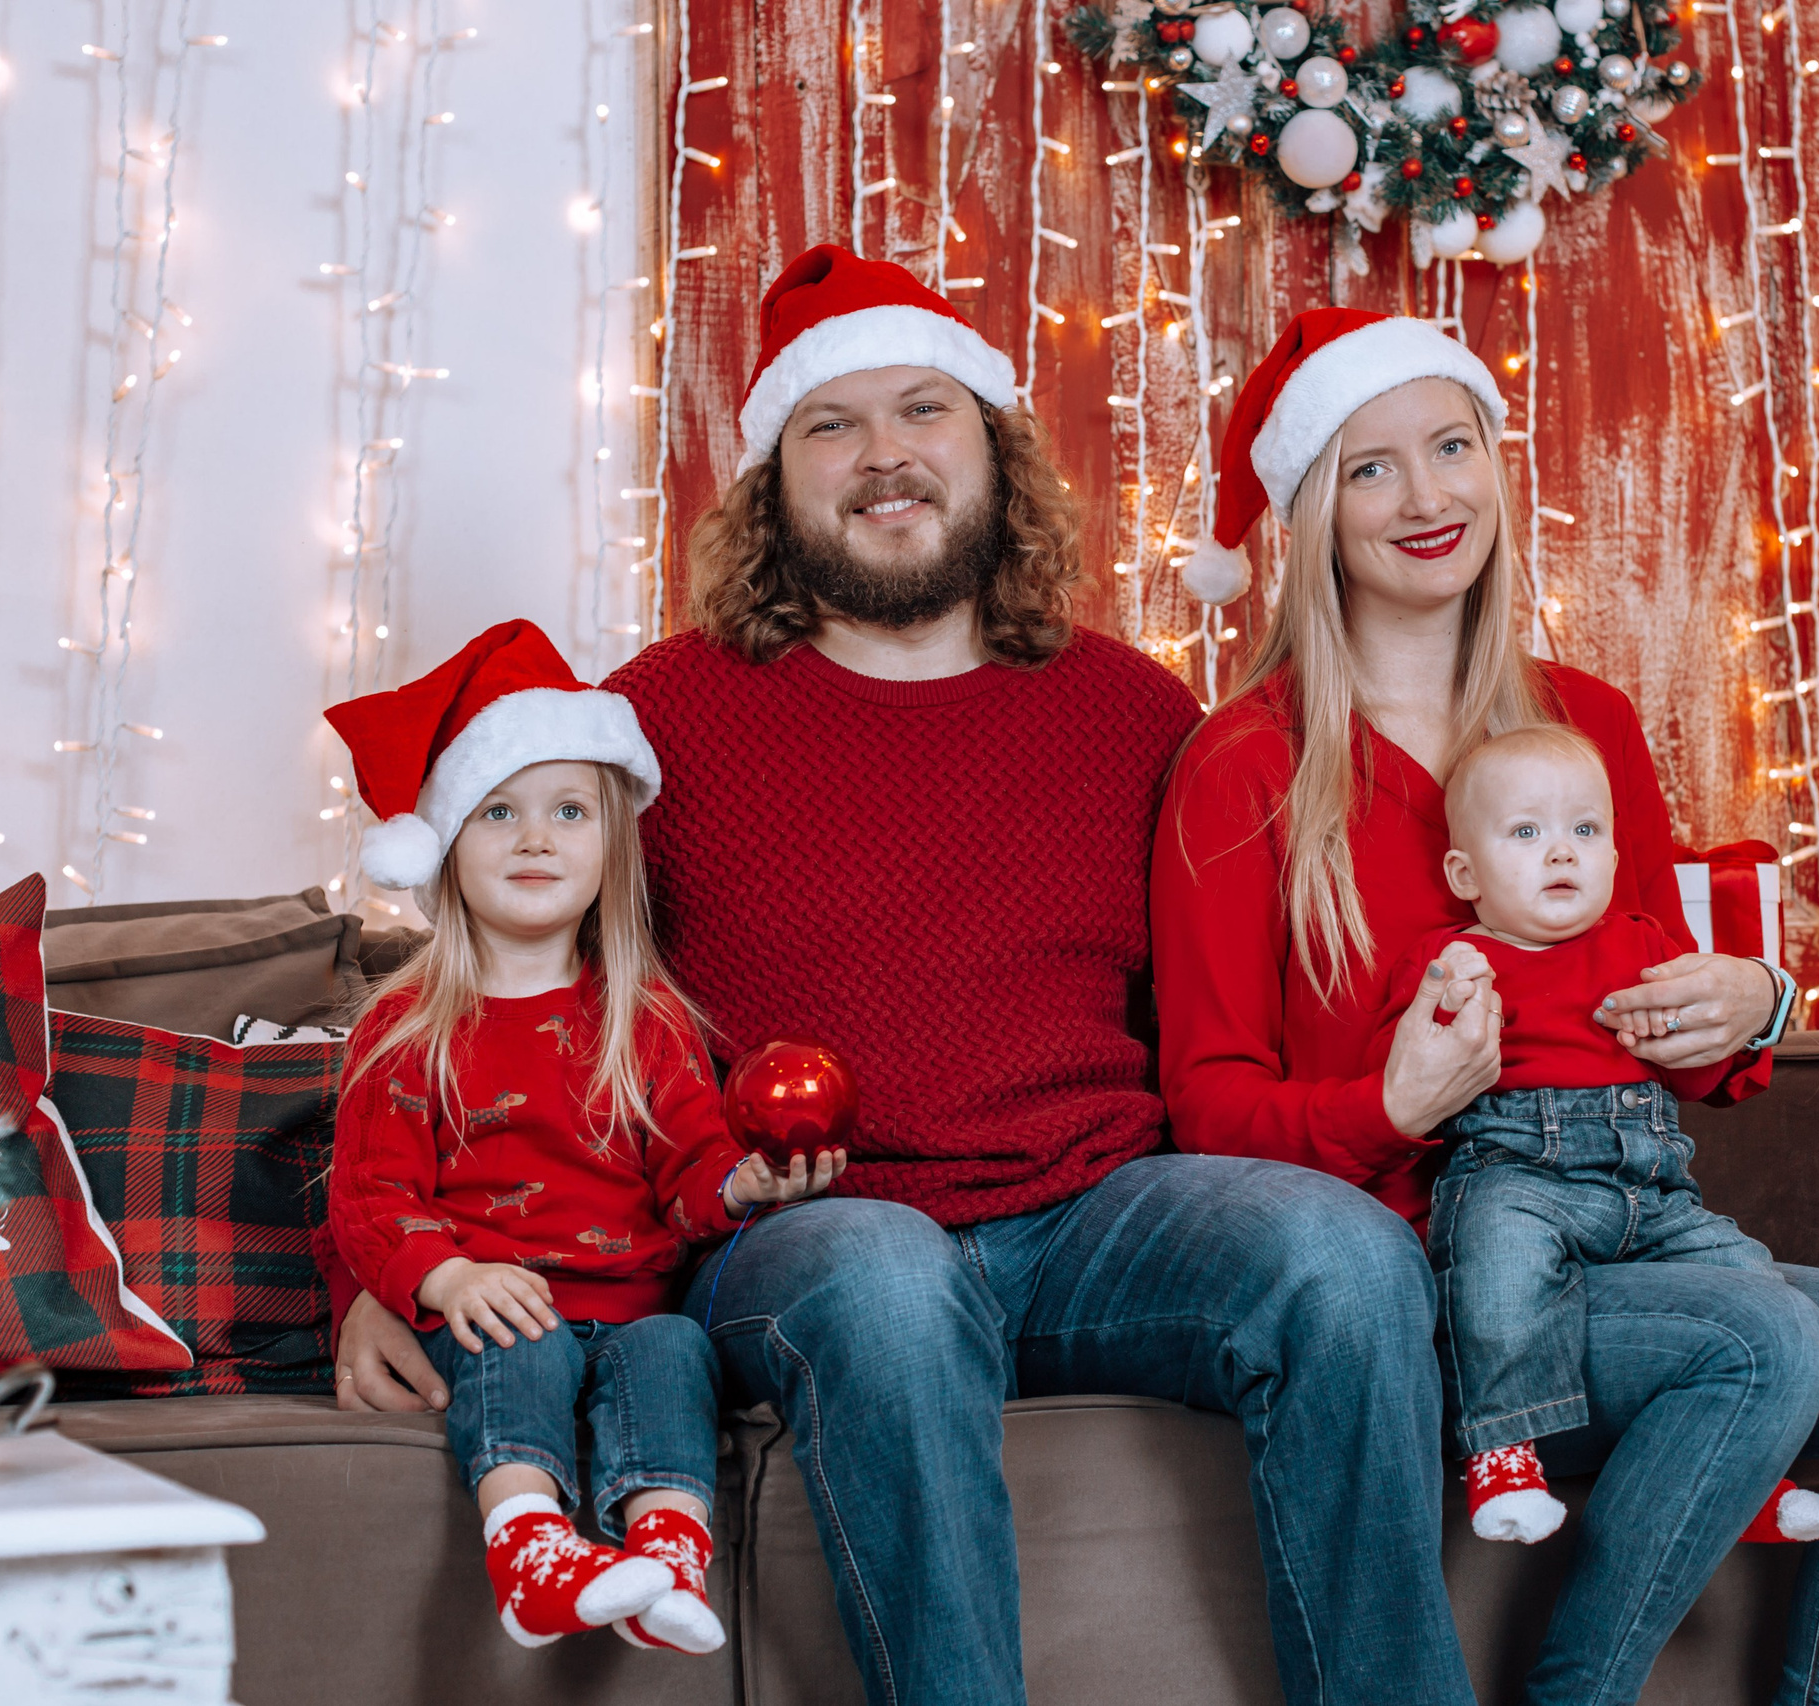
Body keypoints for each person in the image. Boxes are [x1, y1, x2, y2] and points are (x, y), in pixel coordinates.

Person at [325, 252, 1480, 1706]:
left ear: (990, 447)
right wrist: (379, 1271)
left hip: (1096, 1213)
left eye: (922, 409)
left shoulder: (1136, 710)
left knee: (1335, 1255)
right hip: (808, 1229)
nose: (884, 455)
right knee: (882, 1272)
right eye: (833, 424)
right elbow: (481, 990)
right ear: (771, 483)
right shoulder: (656, 719)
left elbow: (1254, 999)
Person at [1154, 307, 1819, 1706]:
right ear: (1306, 515)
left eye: (1451, 446)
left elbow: (1660, 995)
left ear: (1494, 463)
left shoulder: (1584, 723)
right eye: (1369, 468)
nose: (1426, 498)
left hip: (1626, 1233)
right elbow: (1208, 1109)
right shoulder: (1244, 771)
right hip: (1421, 1283)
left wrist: (1748, 1004)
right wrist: (1388, 1107)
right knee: (1763, 1335)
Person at [322, 620, 839, 1653]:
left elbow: (690, 1161)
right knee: (523, 1345)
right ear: (445, 846)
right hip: (493, 1307)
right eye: (497, 812)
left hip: (632, 1303)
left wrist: (745, 1184)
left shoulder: (641, 1018)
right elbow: (371, 1199)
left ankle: (666, 1552)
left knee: (674, 1347)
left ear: (611, 845)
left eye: (568, 811)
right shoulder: (408, 1027)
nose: (535, 837)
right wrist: (447, 1278)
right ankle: (531, 1551)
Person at [1373, 722, 1819, 1552]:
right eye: (1527, 833)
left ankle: (1753, 1480)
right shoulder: (1453, 958)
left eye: (1585, 832)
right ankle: (1505, 1455)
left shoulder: (1645, 947)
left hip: (1651, 1188)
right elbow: (1412, 1087)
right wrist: (1446, 1007)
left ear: (1616, 859)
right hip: (1516, 1173)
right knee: (1498, 1271)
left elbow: (1695, 1078)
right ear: (1464, 874)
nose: (1562, 855)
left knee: (1754, 1285)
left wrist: (1705, 1032)